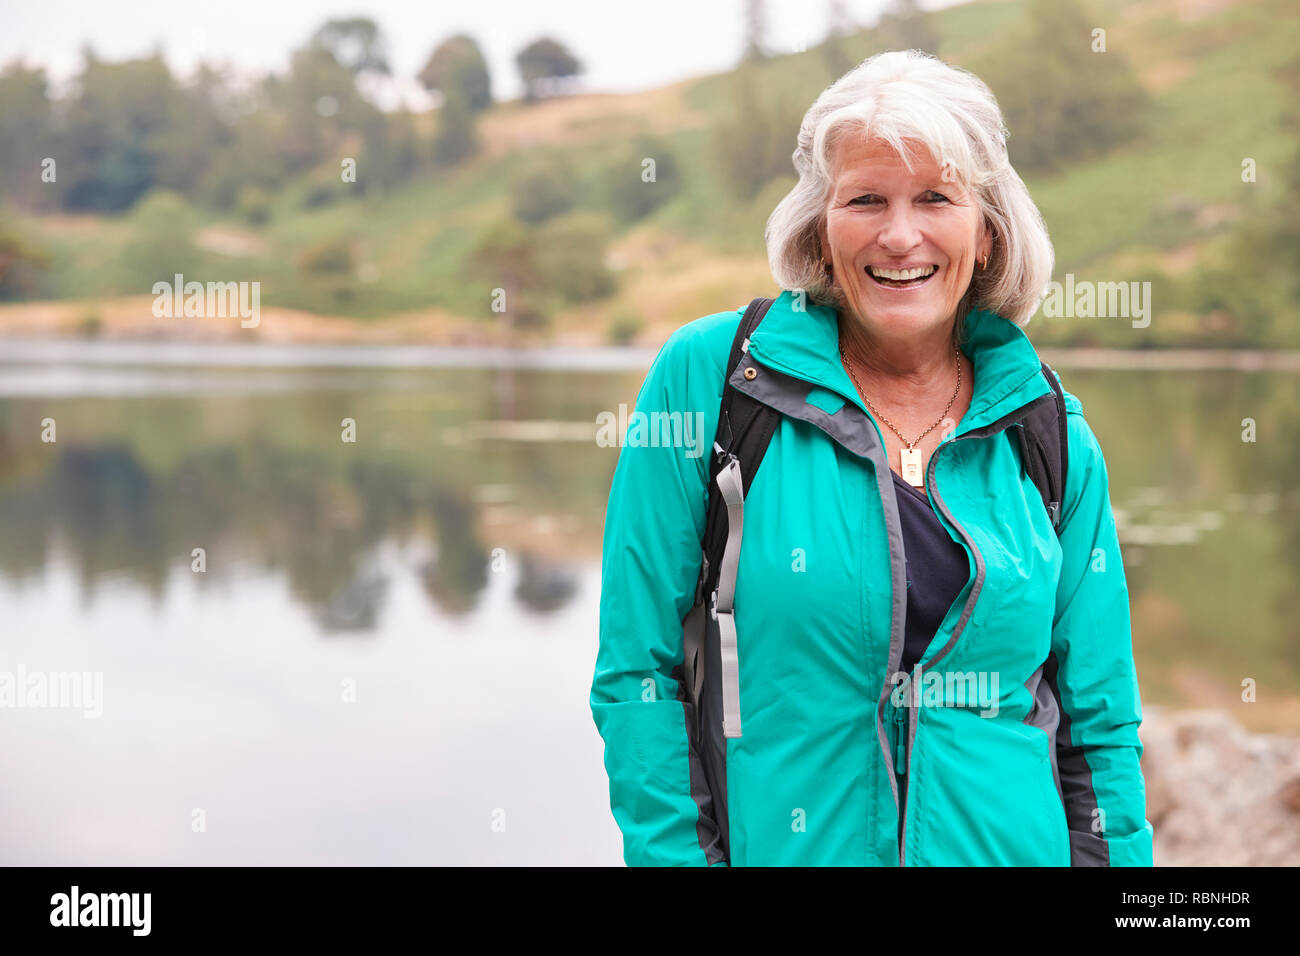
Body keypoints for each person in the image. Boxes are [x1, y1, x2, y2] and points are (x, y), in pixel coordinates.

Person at [590, 49, 1153, 866]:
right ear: (821, 223)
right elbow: (636, 675)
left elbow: (1101, 726)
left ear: (987, 229)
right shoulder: (713, 383)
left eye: (935, 197)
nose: (899, 235)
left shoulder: (1054, 434)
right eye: (865, 199)